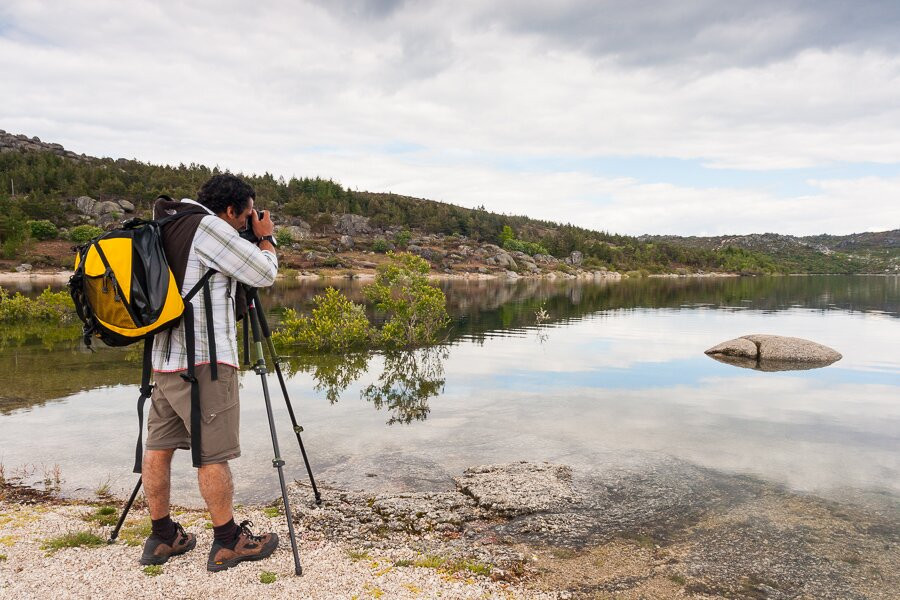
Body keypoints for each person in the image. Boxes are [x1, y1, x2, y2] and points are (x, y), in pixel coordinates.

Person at [138, 174, 281, 572]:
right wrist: (266, 238)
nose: (247, 222)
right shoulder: (211, 227)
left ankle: (164, 536)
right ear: (231, 209)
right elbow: (264, 273)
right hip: (204, 362)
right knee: (213, 454)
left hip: (164, 360)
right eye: (246, 214)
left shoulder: (168, 222)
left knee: (158, 448)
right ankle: (228, 541)